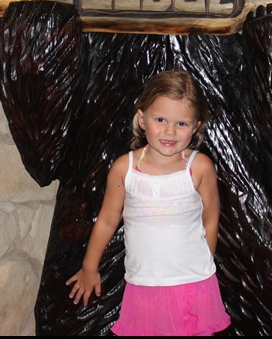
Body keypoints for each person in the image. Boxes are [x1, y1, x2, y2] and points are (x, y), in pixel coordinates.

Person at [66, 70, 231, 336]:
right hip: (144, 286)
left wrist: (204, 263)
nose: (169, 131)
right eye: (160, 119)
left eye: (181, 124)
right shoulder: (124, 168)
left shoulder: (199, 167)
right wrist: (89, 267)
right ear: (142, 119)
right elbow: (107, 220)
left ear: (196, 126)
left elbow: (211, 218)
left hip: (194, 284)